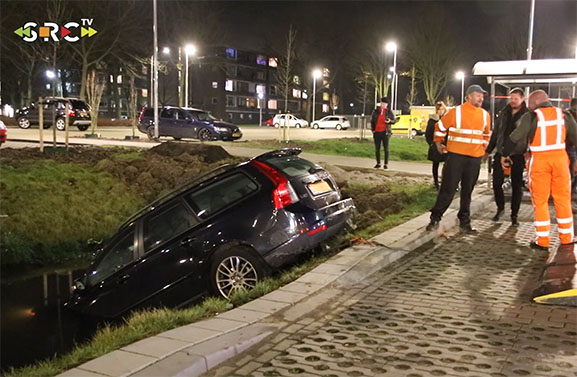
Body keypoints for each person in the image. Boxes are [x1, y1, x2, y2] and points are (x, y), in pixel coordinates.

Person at [501, 90, 577, 250]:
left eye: (529, 103)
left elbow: (516, 137)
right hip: (561, 160)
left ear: (535, 102)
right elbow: (575, 137)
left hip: (540, 161)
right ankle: (567, 238)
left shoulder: (532, 117)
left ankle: (542, 241)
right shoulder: (564, 115)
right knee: (563, 199)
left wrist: (505, 154)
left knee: (540, 201)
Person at [426, 85, 491, 233]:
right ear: (468, 97)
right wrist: (438, 144)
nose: (481, 98)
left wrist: (483, 150)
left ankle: (465, 222)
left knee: (467, 192)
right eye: (477, 95)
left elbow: (486, 135)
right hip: (456, 157)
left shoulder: (485, 115)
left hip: (474, 159)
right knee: (448, 189)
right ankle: (435, 218)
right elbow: (440, 127)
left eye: (482, 96)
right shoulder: (456, 112)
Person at [485, 87, 529, 225]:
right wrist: (488, 150)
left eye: (516, 98)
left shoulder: (527, 115)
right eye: (511, 98)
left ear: (522, 99)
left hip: (517, 154)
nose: (513, 101)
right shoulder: (504, 113)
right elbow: (496, 133)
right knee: (496, 182)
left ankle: (514, 215)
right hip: (501, 152)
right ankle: (500, 208)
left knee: (516, 185)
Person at [425, 101, 448, 190]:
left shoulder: (447, 119)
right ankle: (436, 182)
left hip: (446, 145)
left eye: (442, 109)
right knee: (435, 164)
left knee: (447, 165)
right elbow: (428, 134)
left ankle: (445, 182)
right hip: (435, 145)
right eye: (438, 109)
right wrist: (431, 144)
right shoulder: (432, 121)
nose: (440, 111)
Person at [370, 97, 396, 169]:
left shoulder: (389, 112)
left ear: (387, 105)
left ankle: (386, 164)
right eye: (382, 103)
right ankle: (378, 163)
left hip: (385, 132)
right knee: (377, 148)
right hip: (377, 132)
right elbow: (372, 121)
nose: (383, 105)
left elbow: (394, 120)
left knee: (386, 148)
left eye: (385, 104)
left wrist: (390, 121)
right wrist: (373, 130)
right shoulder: (375, 111)